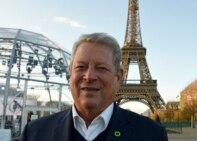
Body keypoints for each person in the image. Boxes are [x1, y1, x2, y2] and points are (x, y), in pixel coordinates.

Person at [19, 33, 168, 141]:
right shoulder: (33, 133)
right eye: (81, 67)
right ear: (70, 74)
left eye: (101, 68)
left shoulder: (153, 135)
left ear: (119, 76)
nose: (89, 76)